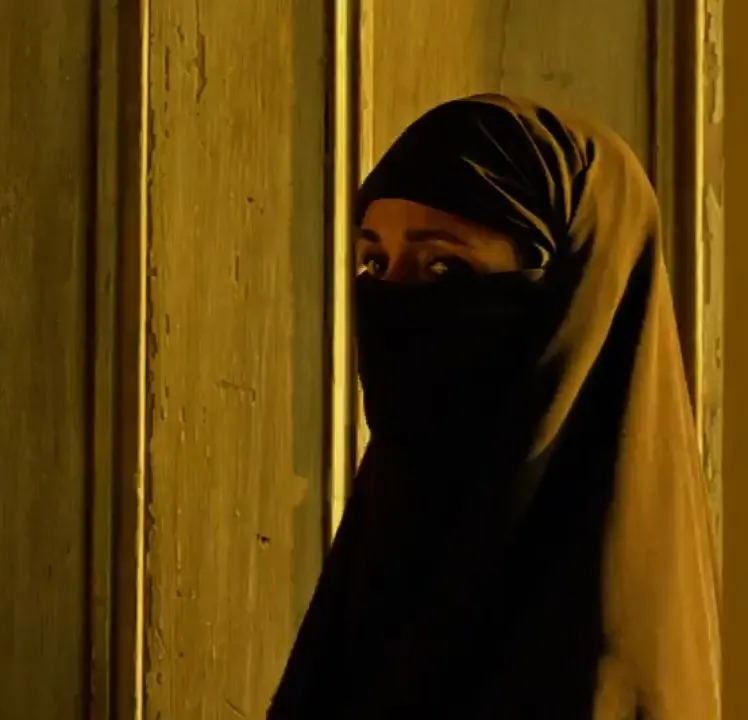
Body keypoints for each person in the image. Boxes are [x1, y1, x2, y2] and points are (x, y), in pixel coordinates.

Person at [269, 95, 720, 719]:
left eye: (444, 267)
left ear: (567, 306)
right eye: (375, 262)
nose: (393, 302)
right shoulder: (385, 560)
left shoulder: (597, 664)